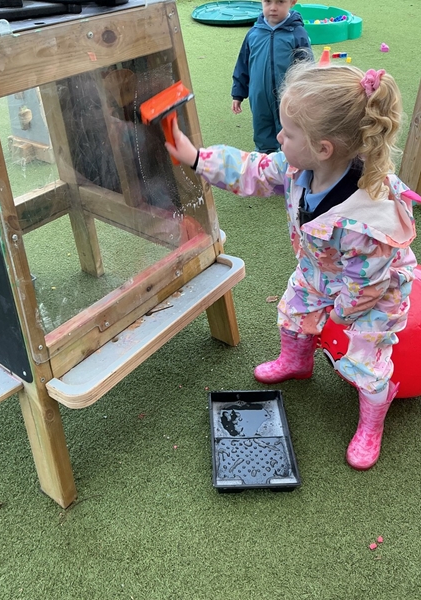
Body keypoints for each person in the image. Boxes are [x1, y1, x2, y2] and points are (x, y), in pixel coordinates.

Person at [165, 62, 420, 471]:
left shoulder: (369, 218)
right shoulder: (298, 166)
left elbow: (367, 284)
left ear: (323, 148)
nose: (279, 138)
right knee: (293, 313)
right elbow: (252, 169)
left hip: (372, 294)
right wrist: (196, 158)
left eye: (287, 133)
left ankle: (372, 424)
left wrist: (340, 316)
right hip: (320, 270)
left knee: (367, 362)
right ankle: (297, 362)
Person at [231, 0, 313, 154]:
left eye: (280, 2)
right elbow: (242, 64)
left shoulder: (297, 33)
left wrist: (306, 94)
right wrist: (238, 93)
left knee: (290, 129)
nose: (273, 8)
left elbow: (306, 67)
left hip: (288, 97)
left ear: (292, 2)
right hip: (260, 96)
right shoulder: (253, 34)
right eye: (268, 1)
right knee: (262, 128)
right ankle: (264, 157)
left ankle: (290, 159)